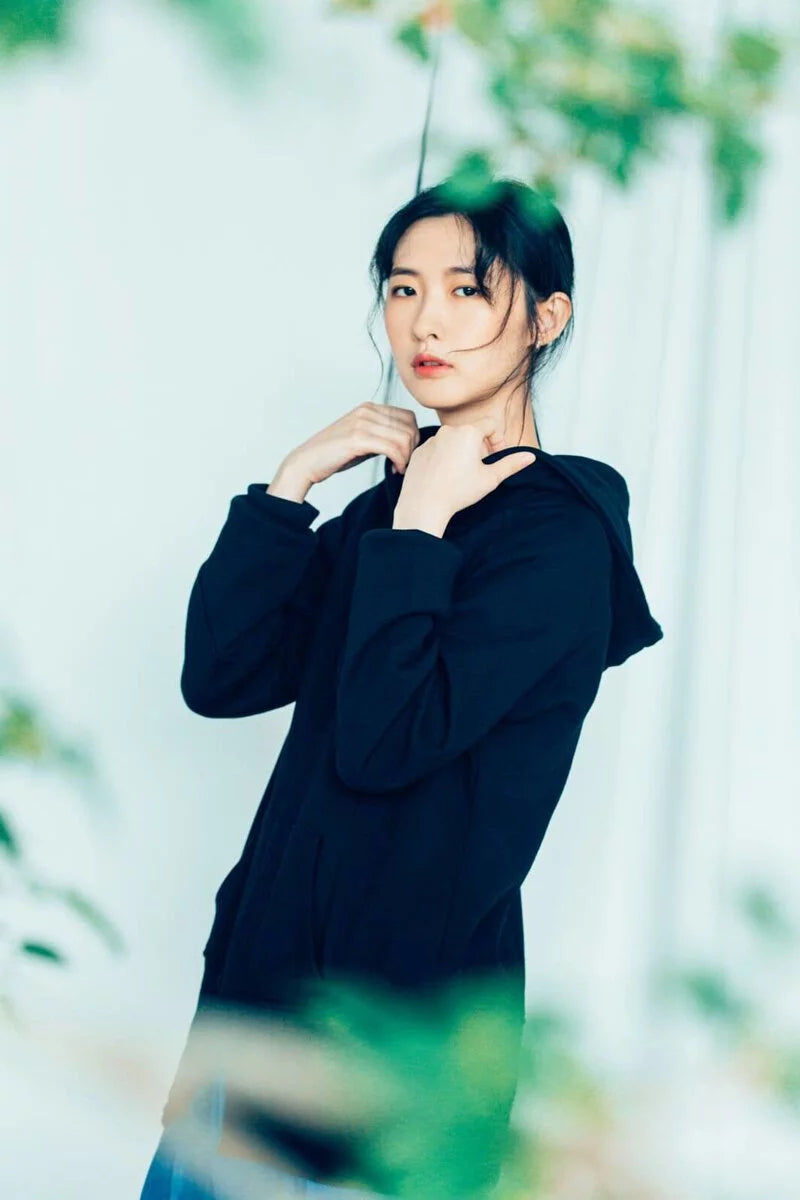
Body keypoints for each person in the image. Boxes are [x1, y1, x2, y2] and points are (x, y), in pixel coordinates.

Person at [139, 177, 664, 1198]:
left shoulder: (557, 537)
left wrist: (420, 524)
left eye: (468, 289)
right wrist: (290, 487)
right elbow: (222, 676)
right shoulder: (388, 513)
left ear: (547, 317)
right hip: (258, 1023)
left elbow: (386, 741)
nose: (425, 321)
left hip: (396, 1057)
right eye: (401, 288)